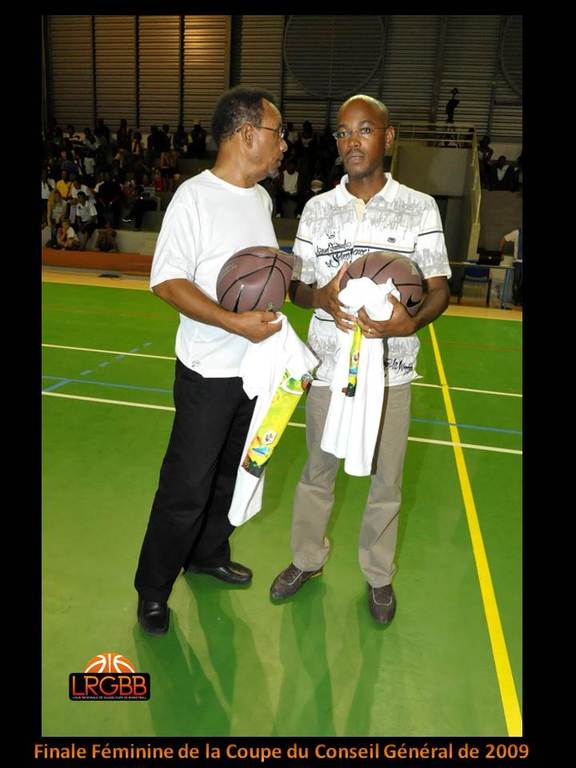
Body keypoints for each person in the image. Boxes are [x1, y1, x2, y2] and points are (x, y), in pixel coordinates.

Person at [269, 94, 451, 625]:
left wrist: (410, 323)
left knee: (386, 481)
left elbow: (439, 288)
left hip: (392, 373)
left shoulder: (419, 207)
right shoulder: (317, 209)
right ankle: (307, 559)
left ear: (387, 138)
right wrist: (321, 298)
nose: (352, 141)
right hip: (328, 369)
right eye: (343, 132)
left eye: (364, 130)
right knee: (317, 471)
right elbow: (297, 289)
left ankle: (378, 574)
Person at [134, 85, 288, 635]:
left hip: (255, 370)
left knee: (231, 475)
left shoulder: (262, 200)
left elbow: (259, 277)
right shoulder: (194, 198)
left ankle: (207, 554)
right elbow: (166, 281)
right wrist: (232, 322)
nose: (283, 145)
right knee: (187, 487)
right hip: (207, 372)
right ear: (246, 134)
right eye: (277, 133)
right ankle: (153, 589)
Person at [499, 227, 522, 305]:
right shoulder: (517, 233)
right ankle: (516, 300)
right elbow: (504, 239)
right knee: (517, 282)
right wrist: (500, 253)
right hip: (518, 262)